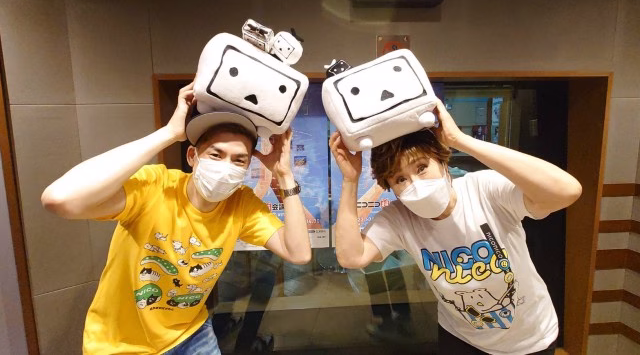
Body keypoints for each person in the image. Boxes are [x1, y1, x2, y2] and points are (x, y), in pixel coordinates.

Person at [41, 82, 312, 354]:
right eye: (216, 155)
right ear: (193, 156)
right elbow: (60, 199)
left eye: (238, 160)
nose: (225, 168)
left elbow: (298, 252)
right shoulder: (156, 187)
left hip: (192, 334)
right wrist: (169, 133)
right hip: (119, 345)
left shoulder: (241, 204)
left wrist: (284, 175)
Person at [331, 99, 582, 355]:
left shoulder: (484, 189)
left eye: (422, 167)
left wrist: (460, 140)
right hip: (461, 336)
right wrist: (350, 180)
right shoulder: (399, 217)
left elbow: (566, 191)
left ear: (442, 162)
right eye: (400, 179)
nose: (415, 184)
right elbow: (352, 257)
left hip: (531, 338)